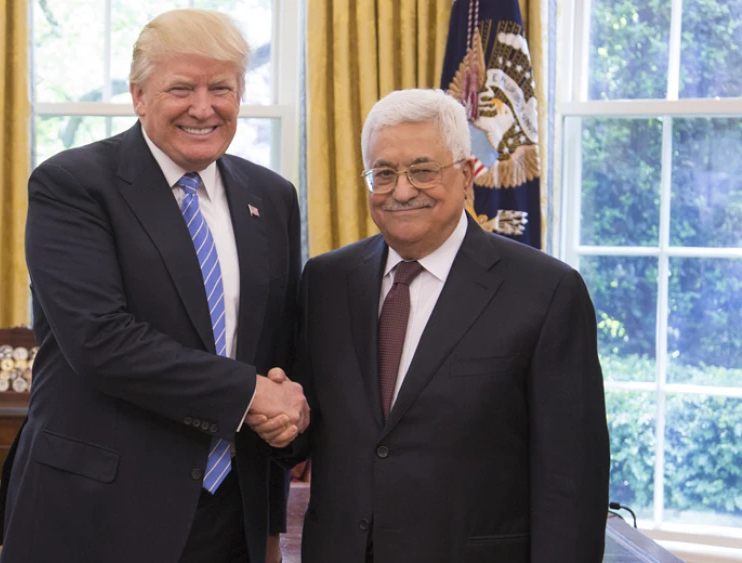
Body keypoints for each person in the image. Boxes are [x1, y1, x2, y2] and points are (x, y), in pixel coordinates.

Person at [0, 9, 308, 563]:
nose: (203, 107)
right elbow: (101, 342)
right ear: (139, 95)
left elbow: (275, 351)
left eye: (222, 88)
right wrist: (250, 393)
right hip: (98, 511)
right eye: (181, 88)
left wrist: (285, 444)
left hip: (230, 516)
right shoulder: (73, 185)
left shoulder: (271, 197)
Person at [253, 89, 610, 562]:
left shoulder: (546, 292)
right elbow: (310, 425)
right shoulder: (326, 280)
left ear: (465, 176)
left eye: (423, 170)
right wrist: (283, 419)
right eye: (384, 173)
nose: (402, 191)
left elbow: (572, 481)